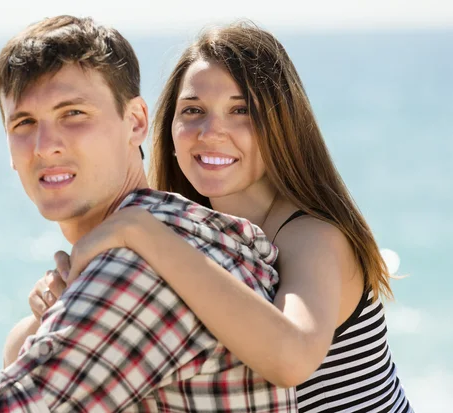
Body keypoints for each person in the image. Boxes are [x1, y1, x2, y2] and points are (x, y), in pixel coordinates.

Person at [21, 22, 413, 412]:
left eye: (240, 110)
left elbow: (292, 358)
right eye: (193, 110)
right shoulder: (194, 234)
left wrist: (140, 230)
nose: (211, 131)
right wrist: (56, 310)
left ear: (281, 125)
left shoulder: (314, 236)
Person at [0, 15, 297, 413]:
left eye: (73, 114)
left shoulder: (137, 266)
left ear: (136, 122)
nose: (44, 145)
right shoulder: (175, 230)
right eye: (24, 122)